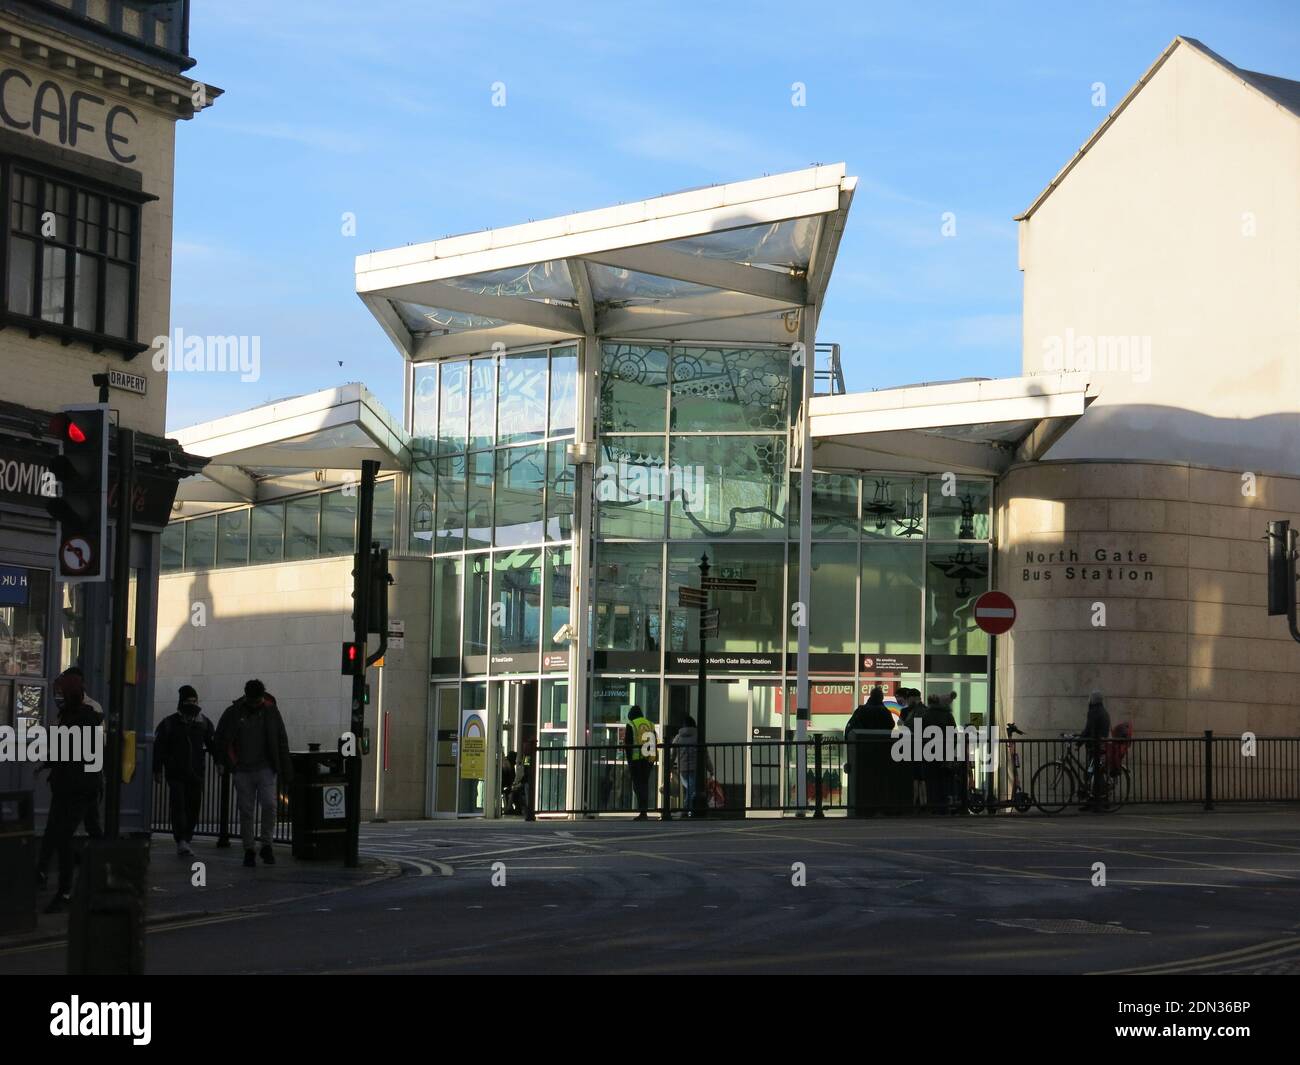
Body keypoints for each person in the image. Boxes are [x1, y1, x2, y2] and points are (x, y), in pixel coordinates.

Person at [36, 669, 104, 912]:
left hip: (79, 788)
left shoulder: (84, 717)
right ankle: (58, 879)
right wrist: (49, 764)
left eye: (61, 692)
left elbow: (78, 753)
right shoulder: (68, 715)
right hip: (68, 787)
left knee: (64, 836)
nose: (58, 697)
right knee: (58, 833)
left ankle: (65, 892)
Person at [215, 679, 293, 867]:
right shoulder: (264, 710)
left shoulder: (260, 711)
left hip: (257, 767)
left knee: (265, 806)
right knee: (250, 809)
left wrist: (226, 762)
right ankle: (252, 848)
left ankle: (261, 846)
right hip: (247, 768)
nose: (255, 704)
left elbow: (281, 739)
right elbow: (281, 740)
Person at [153, 685, 216, 856]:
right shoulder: (174, 723)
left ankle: (185, 839)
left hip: (194, 773)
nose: (192, 704)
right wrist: (157, 769)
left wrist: (220, 761)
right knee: (179, 805)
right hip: (177, 773)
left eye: (194, 701)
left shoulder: (201, 723)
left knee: (193, 807)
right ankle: (182, 839)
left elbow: (213, 746)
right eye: (189, 701)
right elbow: (159, 748)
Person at [671, 715, 711, 816]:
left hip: (682, 769)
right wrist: (711, 769)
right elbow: (705, 755)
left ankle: (688, 810)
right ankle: (687, 810)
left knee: (689, 789)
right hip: (696, 768)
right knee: (692, 789)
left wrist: (669, 766)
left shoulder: (678, 737)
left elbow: (672, 754)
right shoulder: (698, 737)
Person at [924, 693, 957, 814]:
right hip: (944, 752)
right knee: (944, 779)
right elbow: (953, 734)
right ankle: (943, 806)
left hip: (929, 752)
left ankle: (933, 806)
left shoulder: (926, 714)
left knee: (932, 780)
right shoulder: (947, 715)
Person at [1079, 690, 1111, 811]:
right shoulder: (1103, 711)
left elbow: (1088, 729)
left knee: (1093, 775)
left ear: (1092, 700)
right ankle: (1093, 800)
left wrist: (1078, 741)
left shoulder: (1093, 712)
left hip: (1095, 747)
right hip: (1100, 746)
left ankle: (1098, 802)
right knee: (1093, 774)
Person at [624, 705, 657, 820]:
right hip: (648, 760)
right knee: (644, 785)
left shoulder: (631, 724)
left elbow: (627, 744)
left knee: (637, 786)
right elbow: (654, 741)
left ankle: (643, 811)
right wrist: (652, 759)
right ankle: (644, 811)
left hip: (636, 760)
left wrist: (629, 761)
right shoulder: (650, 724)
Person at [500, 751, 518, 815]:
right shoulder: (510, 764)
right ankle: (508, 808)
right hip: (506, 784)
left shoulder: (505, 763)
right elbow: (512, 776)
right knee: (511, 793)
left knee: (507, 794)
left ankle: (507, 808)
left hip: (503, 784)